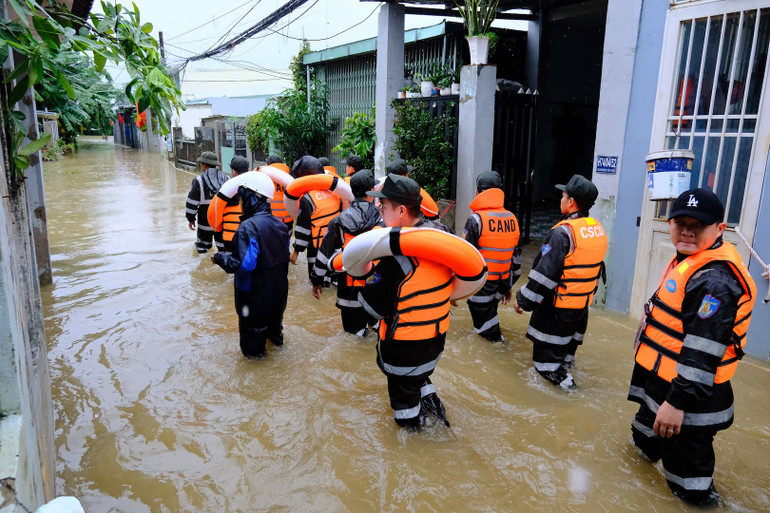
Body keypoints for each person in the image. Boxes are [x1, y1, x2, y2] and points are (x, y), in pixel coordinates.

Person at [627, 188, 756, 507]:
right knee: (642, 443)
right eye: (679, 222)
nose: (686, 230)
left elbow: (702, 352)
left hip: (688, 397)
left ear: (719, 230)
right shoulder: (690, 260)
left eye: (697, 225)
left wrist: (676, 404)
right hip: (664, 380)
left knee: (688, 486)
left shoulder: (714, 281)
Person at [358, 174, 452, 429]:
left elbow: (371, 307)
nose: (379, 210)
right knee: (418, 376)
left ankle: (415, 439)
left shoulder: (397, 257)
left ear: (401, 210)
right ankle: (429, 399)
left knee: (405, 412)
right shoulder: (443, 236)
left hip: (405, 347)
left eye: (383, 206)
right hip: (435, 338)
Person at [513, 174, 607, 389]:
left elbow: (543, 276)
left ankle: (574, 394)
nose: (561, 199)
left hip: (557, 312)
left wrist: (523, 300)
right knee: (564, 360)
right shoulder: (597, 229)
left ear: (571, 201)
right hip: (580, 310)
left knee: (546, 368)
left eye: (563, 195)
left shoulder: (562, 233)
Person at [212, 173, 290, 359]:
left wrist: (220, 258)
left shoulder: (248, 227)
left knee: (254, 354)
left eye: (242, 198)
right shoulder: (280, 225)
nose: (240, 203)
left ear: (251, 197)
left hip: (254, 300)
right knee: (275, 339)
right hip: (278, 296)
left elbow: (243, 265)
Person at [311, 170, 380, 337]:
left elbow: (324, 253)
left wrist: (317, 281)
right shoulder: (383, 216)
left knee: (354, 335)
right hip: (377, 283)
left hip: (349, 285)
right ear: (371, 192)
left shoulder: (339, 220)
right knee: (378, 329)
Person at [463, 171, 521, 342]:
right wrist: (508, 284)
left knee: (489, 337)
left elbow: (466, 258)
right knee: (489, 318)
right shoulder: (512, 218)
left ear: (477, 193)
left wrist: (456, 290)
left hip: (482, 286)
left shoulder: (475, 220)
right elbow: (515, 260)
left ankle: (501, 350)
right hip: (502, 284)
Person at [289, 156, 343, 283]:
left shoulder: (307, 199)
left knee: (318, 284)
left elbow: (303, 229)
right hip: (336, 248)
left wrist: (296, 251)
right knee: (333, 282)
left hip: (317, 250)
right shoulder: (335, 192)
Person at [185, 151, 227, 254]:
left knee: (203, 251)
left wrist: (190, 219)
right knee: (223, 251)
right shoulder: (226, 179)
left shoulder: (198, 181)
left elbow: (192, 203)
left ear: (203, 165)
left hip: (205, 222)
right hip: (221, 223)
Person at [208, 155, 249, 253]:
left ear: (233, 171)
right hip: (248, 235)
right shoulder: (255, 188)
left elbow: (215, 212)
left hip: (229, 236)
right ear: (248, 169)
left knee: (229, 263)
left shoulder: (226, 189)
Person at [262, 155, 293, 230]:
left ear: (268, 164)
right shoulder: (289, 175)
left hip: (271, 219)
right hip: (288, 219)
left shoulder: (264, 177)